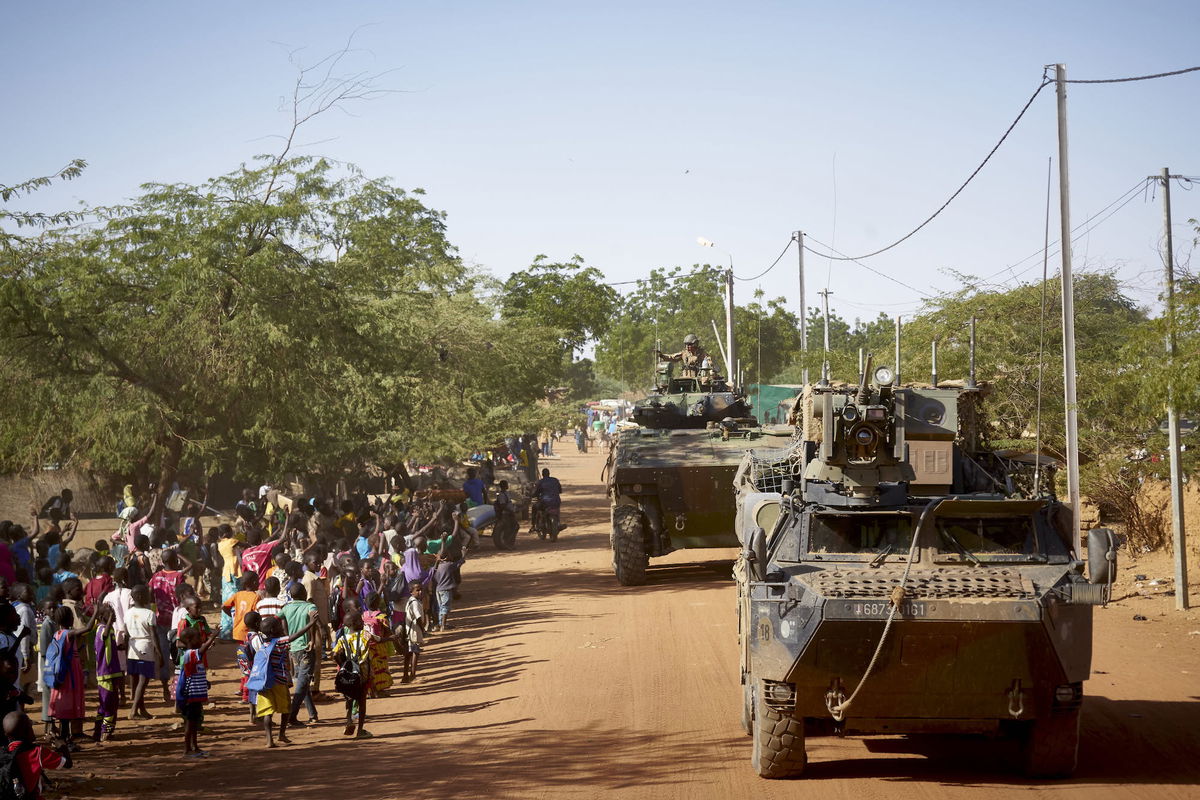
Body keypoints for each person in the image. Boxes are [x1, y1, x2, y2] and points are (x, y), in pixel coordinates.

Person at [3, 710, 71, 800]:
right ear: (28, 731)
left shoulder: (3, 753)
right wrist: (63, 747)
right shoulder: (37, 752)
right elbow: (67, 764)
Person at [280, 583, 319, 727]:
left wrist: (286, 636)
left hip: (293, 649)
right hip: (306, 648)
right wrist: (313, 641)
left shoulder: (286, 608)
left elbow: (280, 618)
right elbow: (313, 621)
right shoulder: (310, 606)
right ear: (304, 594)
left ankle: (312, 714)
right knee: (303, 682)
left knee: (303, 680)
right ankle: (292, 715)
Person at [175, 625, 216, 757]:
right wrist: (213, 637)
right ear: (189, 640)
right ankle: (187, 750)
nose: (201, 640)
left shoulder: (192, 655)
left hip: (196, 696)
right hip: (191, 697)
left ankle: (195, 747)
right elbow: (203, 650)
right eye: (198, 637)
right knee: (190, 724)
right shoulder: (190, 653)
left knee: (194, 723)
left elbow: (194, 673)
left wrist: (205, 683)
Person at [331, 609, 371, 738]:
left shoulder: (342, 639)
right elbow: (378, 639)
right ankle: (360, 730)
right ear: (356, 623)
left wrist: (341, 663)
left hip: (347, 675)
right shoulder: (365, 635)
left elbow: (335, 654)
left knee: (349, 698)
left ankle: (348, 720)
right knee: (362, 701)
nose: (362, 622)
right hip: (362, 674)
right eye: (360, 620)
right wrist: (390, 638)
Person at [92, 604, 121, 741]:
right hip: (105, 674)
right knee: (107, 703)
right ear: (102, 616)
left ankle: (100, 731)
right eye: (110, 613)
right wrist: (110, 621)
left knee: (113, 701)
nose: (113, 615)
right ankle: (104, 732)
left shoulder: (110, 630)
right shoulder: (101, 630)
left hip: (113, 672)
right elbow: (103, 636)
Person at [403, 581, 426, 683]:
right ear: (411, 592)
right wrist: (422, 628)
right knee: (415, 652)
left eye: (421, 590)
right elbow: (418, 617)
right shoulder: (415, 603)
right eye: (417, 590)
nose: (420, 592)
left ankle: (405, 676)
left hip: (410, 630)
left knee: (408, 653)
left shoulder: (411, 601)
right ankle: (412, 675)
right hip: (415, 630)